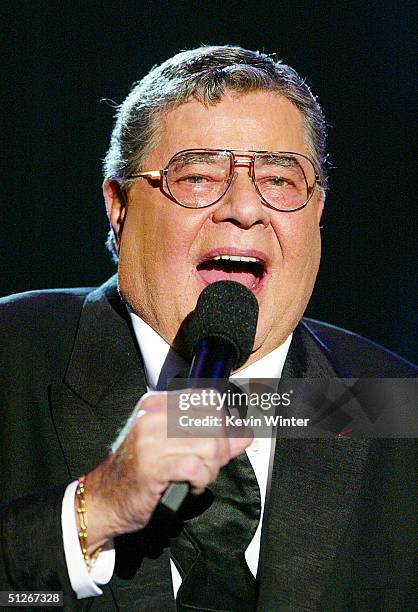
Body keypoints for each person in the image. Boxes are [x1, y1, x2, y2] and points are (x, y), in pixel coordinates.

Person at [0, 45, 416, 611]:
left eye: (280, 178)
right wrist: (91, 512)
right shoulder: (13, 356)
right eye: (197, 175)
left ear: (318, 212)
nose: (245, 207)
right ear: (118, 206)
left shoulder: (395, 407)